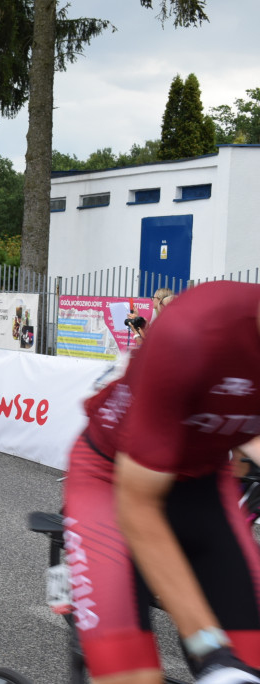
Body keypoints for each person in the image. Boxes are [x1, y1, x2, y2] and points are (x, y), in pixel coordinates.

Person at [63, 280, 260, 684]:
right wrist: (210, 649)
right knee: (133, 676)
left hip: (204, 480)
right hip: (113, 480)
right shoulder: (194, 331)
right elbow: (138, 506)